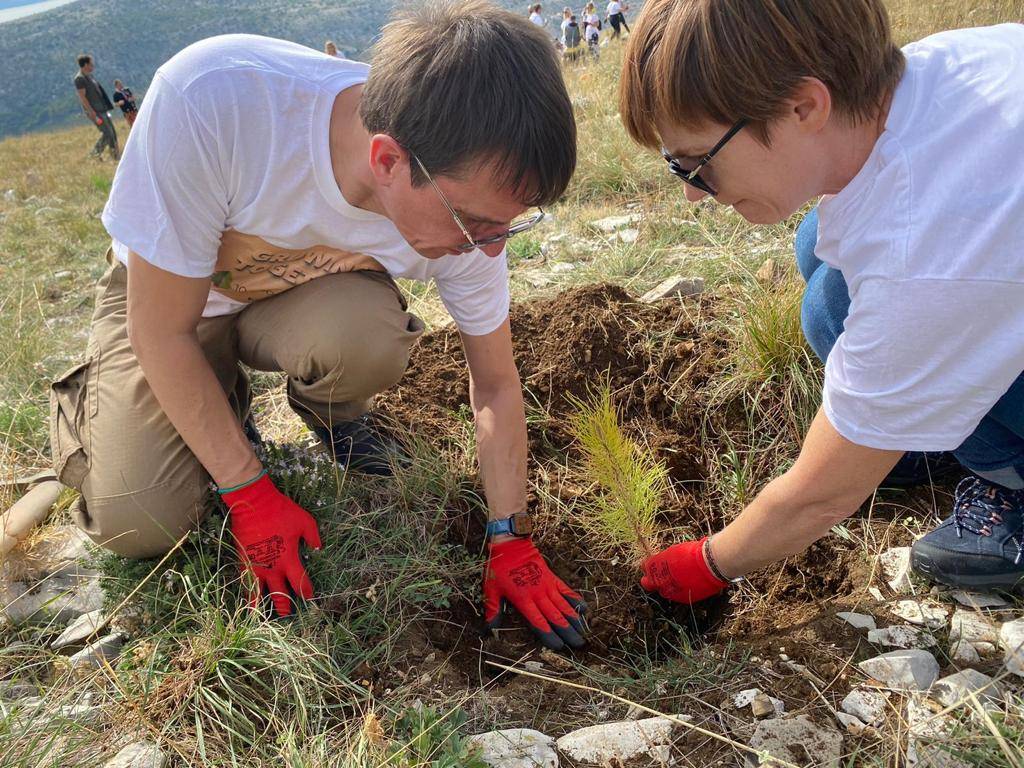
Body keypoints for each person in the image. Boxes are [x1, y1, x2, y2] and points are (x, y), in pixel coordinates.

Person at [49, 1, 588, 651]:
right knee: (138, 524)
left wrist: (510, 536)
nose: (493, 249)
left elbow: (496, 386)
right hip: (172, 309)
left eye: (512, 224)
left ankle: (329, 414)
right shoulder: (215, 100)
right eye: (477, 225)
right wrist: (247, 491)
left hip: (300, 301)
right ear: (388, 161)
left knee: (364, 337)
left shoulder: (470, 208)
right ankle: (174, 409)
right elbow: (161, 331)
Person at [618, 0, 1024, 602]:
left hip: (962, 274)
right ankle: (922, 426)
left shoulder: (925, 256)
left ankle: (1008, 484)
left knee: (838, 308)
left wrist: (707, 564)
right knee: (822, 256)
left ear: (805, 105)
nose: (693, 197)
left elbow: (821, 494)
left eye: (698, 165)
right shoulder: (940, 71)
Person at [74, 54, 119, 160]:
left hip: (102, 108)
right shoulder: (79, 79)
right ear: (85, 65)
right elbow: (82, 97)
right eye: (91, 64)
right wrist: (91, 112)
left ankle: (115, 155)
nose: (93, 66)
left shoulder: (90, 76)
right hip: (95, 111)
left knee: (112, 132)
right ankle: (94, 155)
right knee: (107, 133)